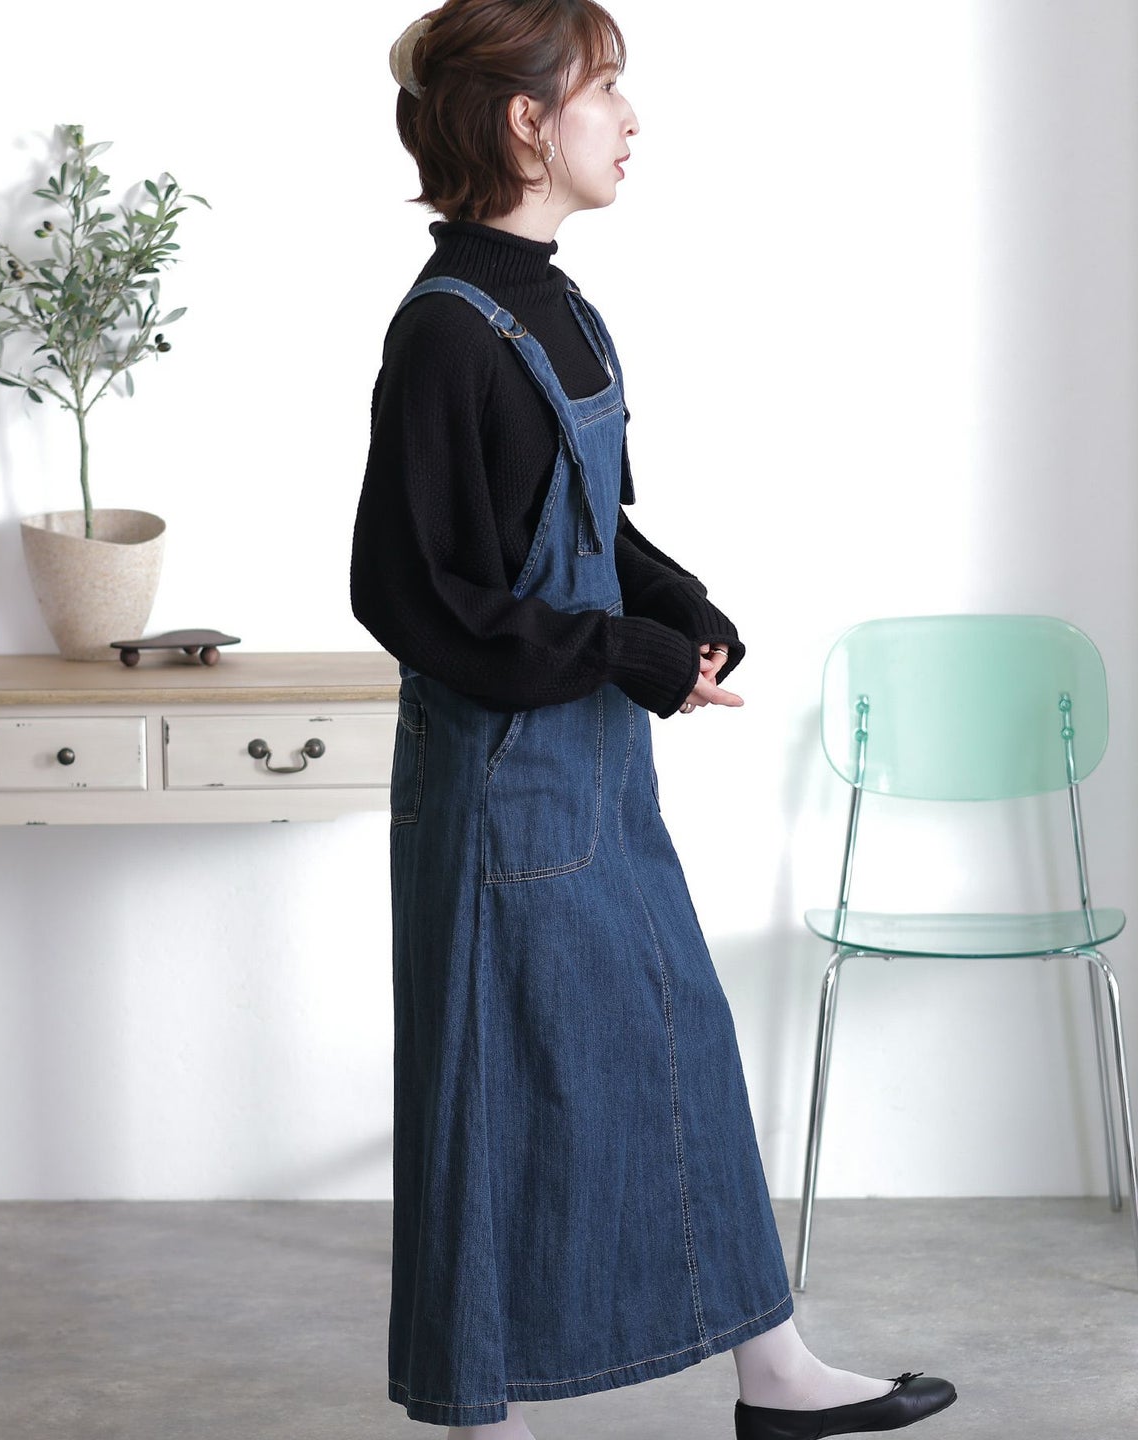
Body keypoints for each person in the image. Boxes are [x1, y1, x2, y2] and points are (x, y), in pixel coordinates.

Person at [350, 4, 958, 1437]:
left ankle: (775, 1373)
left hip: (592, 771)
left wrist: (675, 604)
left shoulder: (555, 303)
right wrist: (617, 646)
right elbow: (405, 589)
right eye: (607, 88)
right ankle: (476, 1412)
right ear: (526, 120)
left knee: (678, 1037)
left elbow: (582, 523)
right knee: (489, 1087)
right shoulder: (444, 332)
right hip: (503, 788)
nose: (631, 119)